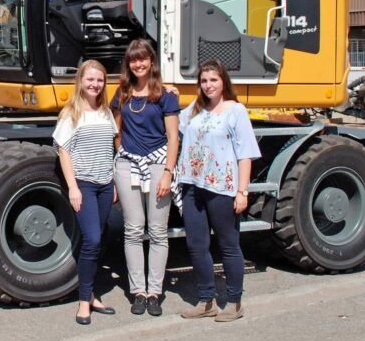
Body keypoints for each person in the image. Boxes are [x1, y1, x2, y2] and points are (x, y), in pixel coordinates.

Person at [177, 59, 261, 323]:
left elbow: (245, 153)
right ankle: (206, 301)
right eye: (203, 81)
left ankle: (234, 302)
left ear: (223, 81)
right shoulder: (194, 109)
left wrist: (242, 191)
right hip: (193, 186)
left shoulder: (235, 111)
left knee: (228, 245)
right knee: (197, 245)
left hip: (222, 188)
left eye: (213, 80)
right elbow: (174, 128)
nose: (208, 85)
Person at [111, 39, 180, 317]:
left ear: (151, 61)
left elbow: (173, 136)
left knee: (158, 231)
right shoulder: (123, 93)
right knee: (133, 230)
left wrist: (168, 172)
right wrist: (122, 159)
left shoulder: (166, 95)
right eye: (133, 60)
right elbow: (116, 132)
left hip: (157, 165)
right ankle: (138, 291)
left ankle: (155, 291)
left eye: (143, 59)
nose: (138, 64)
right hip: (129, 166)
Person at [54, 60, 118, 326]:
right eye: (90, 79)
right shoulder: (71, 114)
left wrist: (112, 182)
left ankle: (91, 295)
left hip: (105, 184)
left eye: (100, 80)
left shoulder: (106, 112)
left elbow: (111, 148)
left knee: (100, 237)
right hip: (85, 185)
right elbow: (63, 151)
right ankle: (83, 302)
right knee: (91, 239)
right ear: (80, 81)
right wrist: (73, 188)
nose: (95, 84)